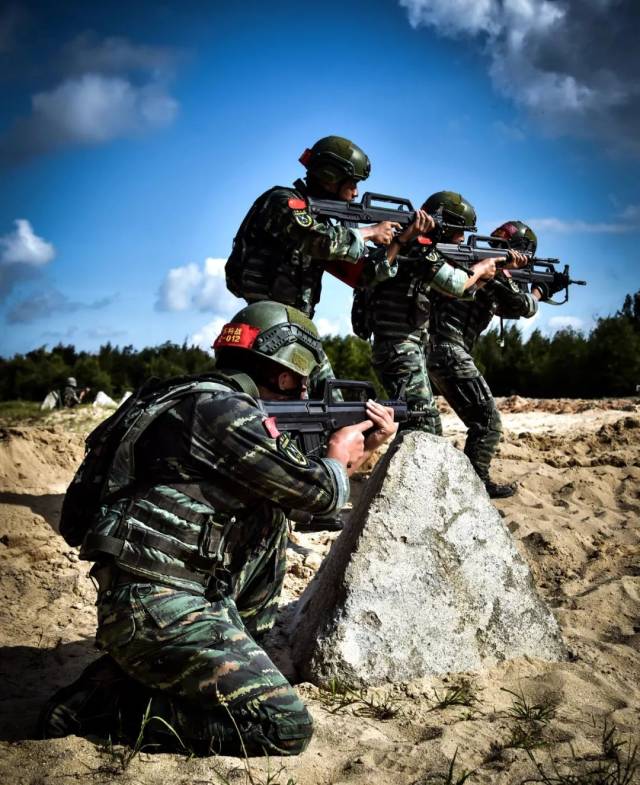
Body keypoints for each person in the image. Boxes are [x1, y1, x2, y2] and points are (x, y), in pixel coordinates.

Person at [39, 301, 398, 757]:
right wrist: (339, 452)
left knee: (269, 512)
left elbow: (302, 505)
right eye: (301, 384)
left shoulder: (193, 398)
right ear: (287, 375)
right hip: (160, 610)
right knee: (283, 727)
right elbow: (320, 496)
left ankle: (128, 677)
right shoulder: (224, 410)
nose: (303, 392)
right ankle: (102, 706)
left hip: (158, 600)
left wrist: (349, 455)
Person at [225, 135, 401, 395]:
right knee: (304, 406)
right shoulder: (283, 201)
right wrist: (369, 232)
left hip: (296, 329)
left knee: (330, 406)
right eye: (352, 182)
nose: (356, 191)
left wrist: (399, 244)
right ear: (330, 176)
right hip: (270, 326)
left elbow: (361, 277)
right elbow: (316, 240)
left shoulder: (323, 223)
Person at [354, 191, 498, 435]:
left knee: (420, 423)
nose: (462, 239)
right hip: (399, 348)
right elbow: (453, 284)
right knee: (423, 425)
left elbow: (452, 292)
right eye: (458, 231)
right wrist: (481, 268)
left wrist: (480, 280)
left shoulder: (413, 245)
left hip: (404, 348)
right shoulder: (417, 248)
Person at [428, 220, 547, 499]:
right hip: (450, 351)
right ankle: (475, 486)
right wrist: (539, 292)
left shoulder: (483, 268)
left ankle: (466, 482)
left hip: (438, 352)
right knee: (488, 422)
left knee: (475, 421)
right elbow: (525, 307)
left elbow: (507, 308)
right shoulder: (491, 270)